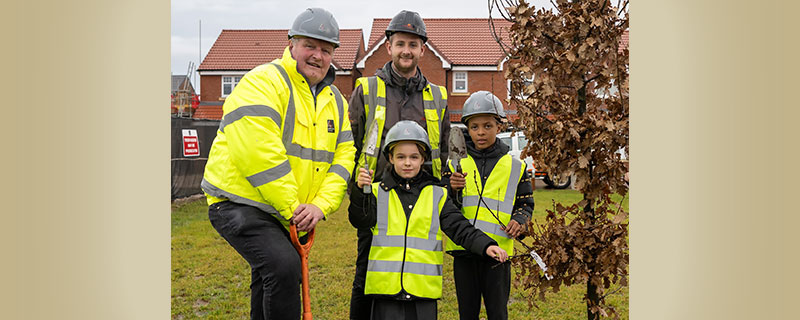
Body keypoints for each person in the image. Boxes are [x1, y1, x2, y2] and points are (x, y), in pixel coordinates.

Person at [201, 7, 356, 320]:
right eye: (309, 46)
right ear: (291, 45)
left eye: (326, 50)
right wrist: (295, 210)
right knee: (283, 267)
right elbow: (260, 155)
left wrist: (320, 207)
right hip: (238, 202)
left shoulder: (336, 101)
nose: (317, 55)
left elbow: (343, 158)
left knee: (270, 274)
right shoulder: (263, 82)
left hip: (284, 212)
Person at [347, 10, 450, 319]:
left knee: (418, 272)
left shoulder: (438, 96)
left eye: (414, 44)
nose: (407, 50)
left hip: (421, 202)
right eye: (401, 43)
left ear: (422, 49)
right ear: (389, 47)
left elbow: (442, 150)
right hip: (376, 198)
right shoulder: (366, 89)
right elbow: (350, 144)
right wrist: (358, 187)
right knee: (367, 273)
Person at [349, 121, 507, 320]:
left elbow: (459, 227)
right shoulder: (375, 192)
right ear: (390, 158)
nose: (407, 163)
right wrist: (359, 191)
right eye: (401, 157)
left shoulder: (437, 195)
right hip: (385, 292)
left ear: (423, 159)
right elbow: (359, 220)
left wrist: (486, 245)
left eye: (414, 157)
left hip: (422, 294)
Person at [441, 91, 535, 320]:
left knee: (497, 312)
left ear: (499, 126)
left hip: (499, 253)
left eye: (487, 126)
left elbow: (525, 204)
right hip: (464, 251)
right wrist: (452, 188)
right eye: (474, 127)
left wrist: (520, 220)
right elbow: (444, 206)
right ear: (467, 129)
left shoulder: (515, 166)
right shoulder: (456, 163)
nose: (481, 132)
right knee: (467, 312)